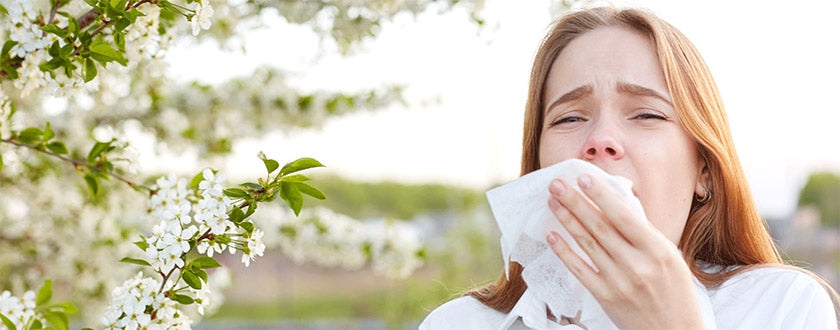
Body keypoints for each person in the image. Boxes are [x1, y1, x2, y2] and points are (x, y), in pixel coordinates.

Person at [420, 6, 839, 330]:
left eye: (646, 115)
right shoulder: (456, 323)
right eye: (569, 118)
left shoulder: (783, 305)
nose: (600, 139)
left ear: (704, 171)